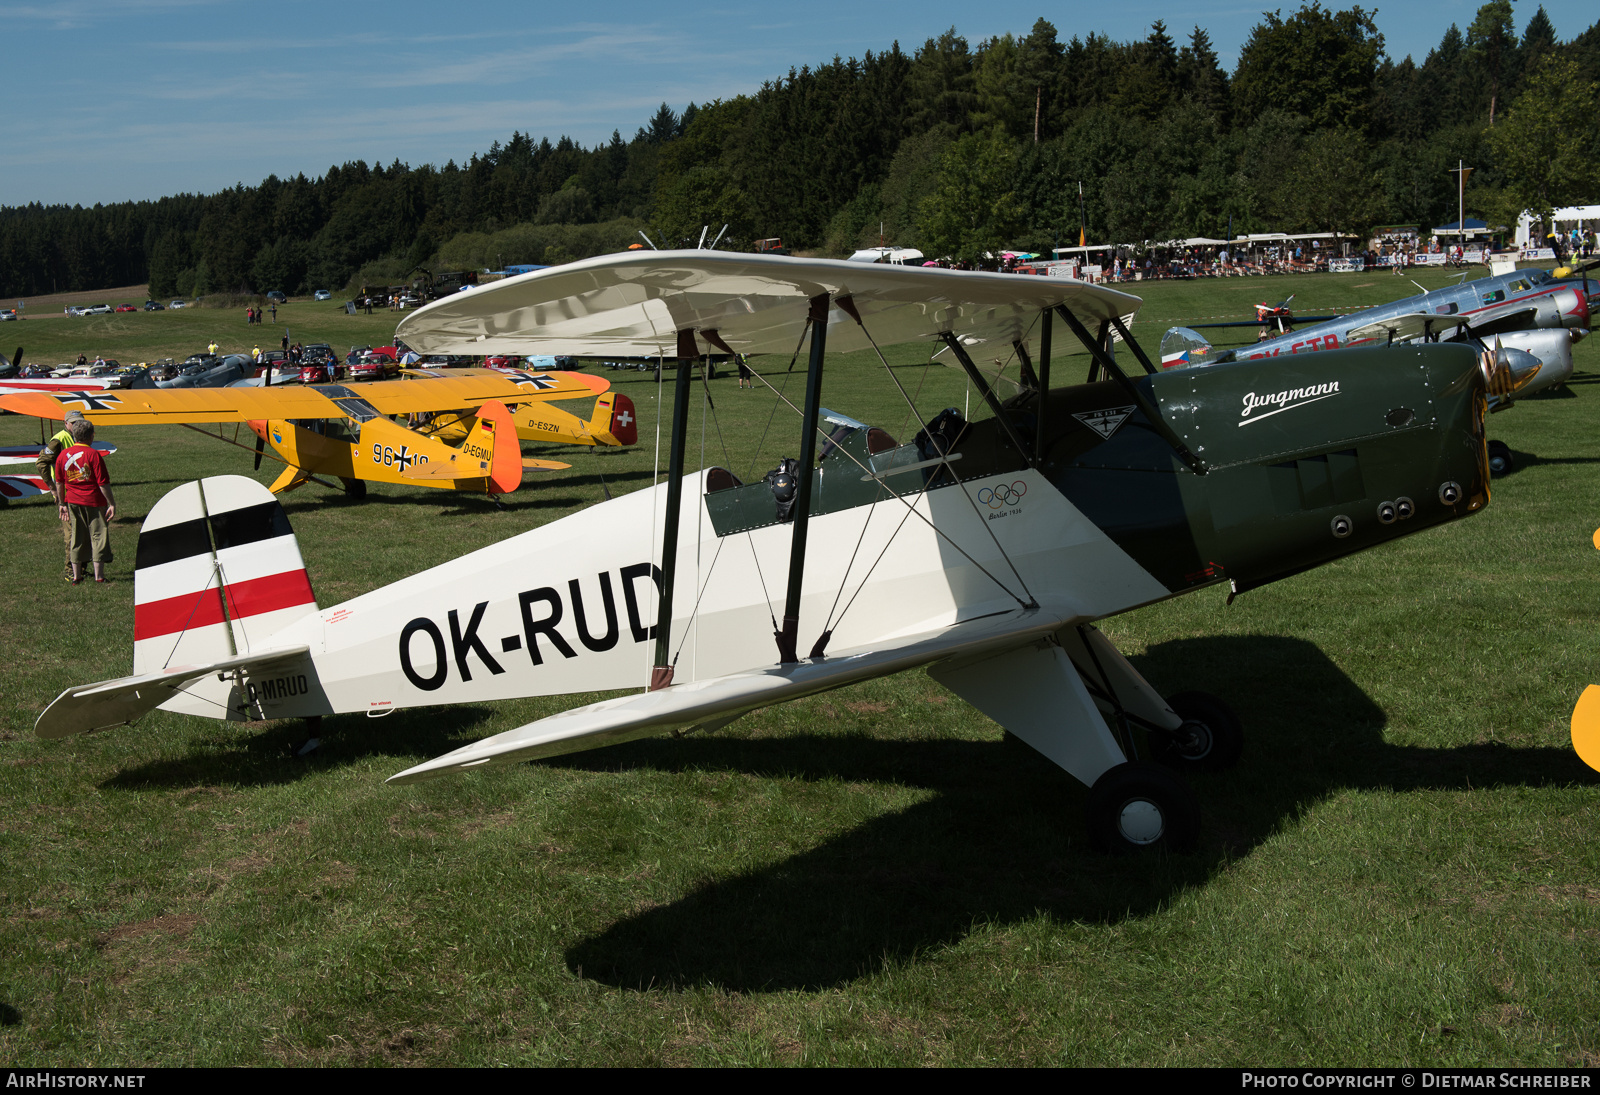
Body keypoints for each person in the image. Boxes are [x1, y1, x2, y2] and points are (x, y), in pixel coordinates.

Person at [54, 418, 116, 584]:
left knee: (77, 536)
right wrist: (111, 503)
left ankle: (76, 576)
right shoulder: (93, 455)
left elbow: (59, 482)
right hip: (94, 501)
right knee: (98, 535)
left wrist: (62, 504)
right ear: (91, 436)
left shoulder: (62, 455)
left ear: (74, 435)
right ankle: (99, 576)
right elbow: (103, 483)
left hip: (73, 501)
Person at [37, 410, 88, 578]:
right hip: (66, 495)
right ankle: (70, 571)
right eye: (73, 423)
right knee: (72, 534)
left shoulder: (82, 435)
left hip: (83, 492)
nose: (76, 425)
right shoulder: (58, 440)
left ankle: (82, 568)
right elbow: (41, 463)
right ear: (66, 423)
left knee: (85, 532)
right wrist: (52, 487)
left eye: (79, 422)